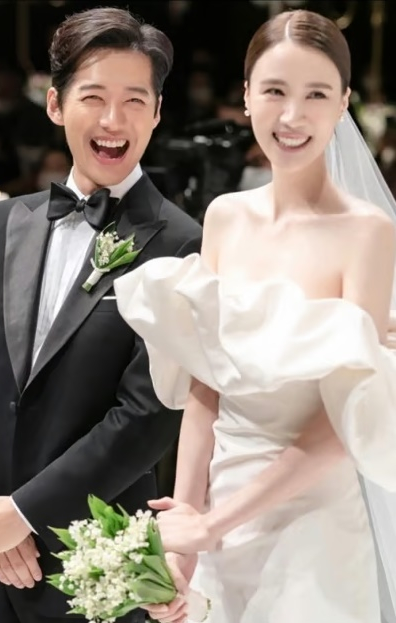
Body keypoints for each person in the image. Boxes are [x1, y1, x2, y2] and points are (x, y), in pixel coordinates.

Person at [0, 7, 202, 623]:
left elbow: (147, 416)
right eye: (93, 97)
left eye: (134, 101)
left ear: (156, 112)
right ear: (54, 104)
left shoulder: (184, 245)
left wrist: (21, 515)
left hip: (91, 572)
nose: (112, 120)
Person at [114, 9, 396, 623]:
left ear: (344, 103)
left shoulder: (368, 233)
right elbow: (205, 385)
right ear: (245, 97)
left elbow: (344, 421)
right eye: (274, 91)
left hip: (316, 530)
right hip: (221, 519)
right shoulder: (225, 216)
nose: (291, 116)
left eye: (316, 94)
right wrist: (184, 543)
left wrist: (212, 524)